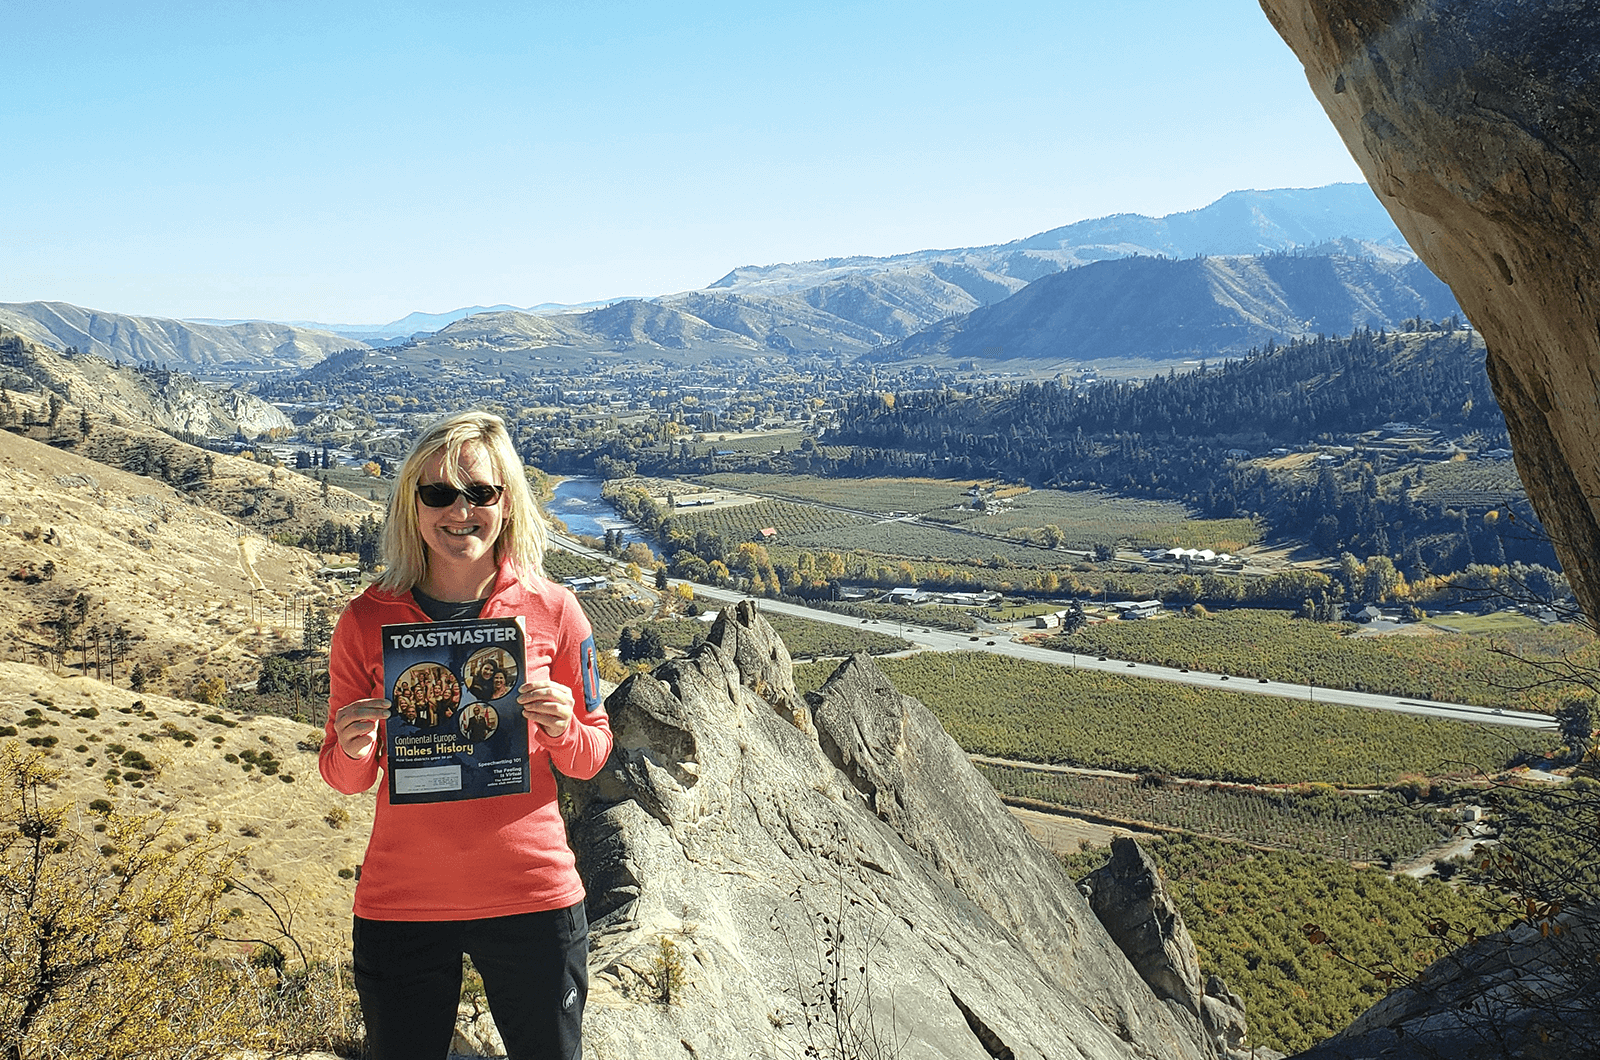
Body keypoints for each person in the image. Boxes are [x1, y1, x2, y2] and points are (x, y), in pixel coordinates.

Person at [320, 411, 610, 1060]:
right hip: (404, 903)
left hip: (532, 894)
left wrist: (564, 732)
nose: (460, 510)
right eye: (438, 494)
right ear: (411, 506)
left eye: (480, 492)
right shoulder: (366, 620)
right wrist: (353, 746)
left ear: (507, 503)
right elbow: (343, 777)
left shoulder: (556, 609)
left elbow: (593, 755)